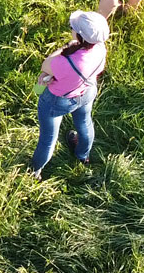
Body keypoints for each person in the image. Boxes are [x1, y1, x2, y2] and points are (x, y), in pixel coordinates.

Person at [31, 10, 109, 177]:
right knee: (85, 123)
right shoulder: (101, 48)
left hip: (57, 101)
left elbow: (45, 65)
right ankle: (82, 155)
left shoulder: (65, 62)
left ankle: (35, 171)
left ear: (79, 36)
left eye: (72, 27)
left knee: (48, 139)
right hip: (87, 93)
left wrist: (64, 48)